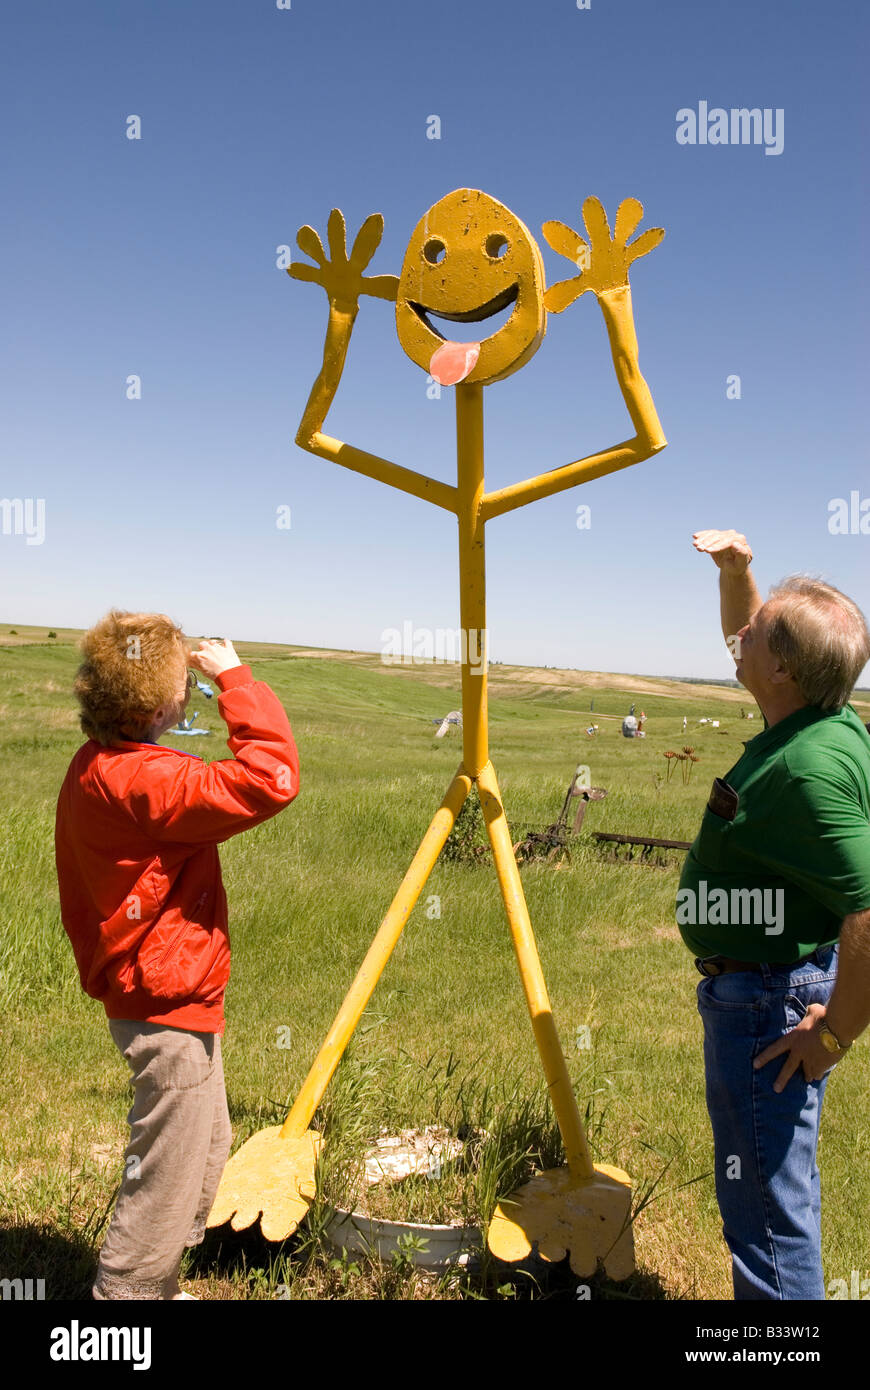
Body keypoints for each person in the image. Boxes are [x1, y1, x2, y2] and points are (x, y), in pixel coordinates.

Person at [55, 612, 299, 1300]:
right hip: (164, 999)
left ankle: (157, 1281)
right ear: (162, 704)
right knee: (167, 1165)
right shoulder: (153, 782)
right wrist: (234, 679)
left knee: (205, 1143)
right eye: (179, 687)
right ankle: (123, 1300)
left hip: (160, 990)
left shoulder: (99, 765)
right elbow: (271, 777)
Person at [681, 531, 870, 1299]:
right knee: (770, 1193)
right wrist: (739, 573)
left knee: (765, 1217)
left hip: (768, 1002)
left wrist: (832, 1037)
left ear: (783, 668)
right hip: (767, 986)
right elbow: (749, 631)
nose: (740, 633)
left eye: (754, 635)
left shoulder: (804, 770)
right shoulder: (820, 715)